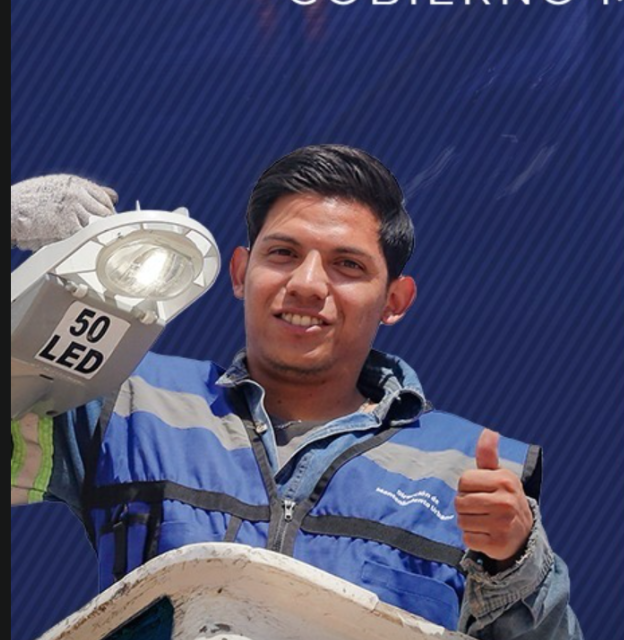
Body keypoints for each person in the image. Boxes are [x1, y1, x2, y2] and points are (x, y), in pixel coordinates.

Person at [11, 145, 583, 638]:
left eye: (347, 265)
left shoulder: (468, 474)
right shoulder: (123, 403)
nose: (307, 284)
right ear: (241, 272)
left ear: (395, 300)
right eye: (283, 253)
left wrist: (516, 564)